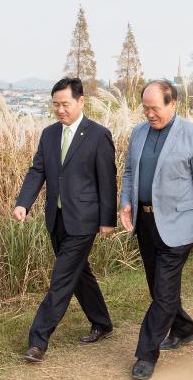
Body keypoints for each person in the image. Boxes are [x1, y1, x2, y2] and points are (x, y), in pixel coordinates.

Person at [13, 78, 118, 363]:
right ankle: (102, 323)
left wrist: (107, 220)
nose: (60, 110)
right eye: (55, 104)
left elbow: (107, 181)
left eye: (65, 104)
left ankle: (38, 341)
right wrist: (23, 203)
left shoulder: (98, 135)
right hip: (56, 218)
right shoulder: (48, 134)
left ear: (81, 101)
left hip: (84, 220)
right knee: (79, 274)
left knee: (61, 279)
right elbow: (38, 171)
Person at [120, 80, 193, 380]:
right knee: (158, 287)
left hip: (179, 225)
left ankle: (146, 354)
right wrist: (126, 202)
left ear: (172, 103)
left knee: (163, 291)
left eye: (155, 108)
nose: (149, 114)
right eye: (145, 108)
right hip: (146, 223)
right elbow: (128, 171)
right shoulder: (138, 133)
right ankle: (184, 328)